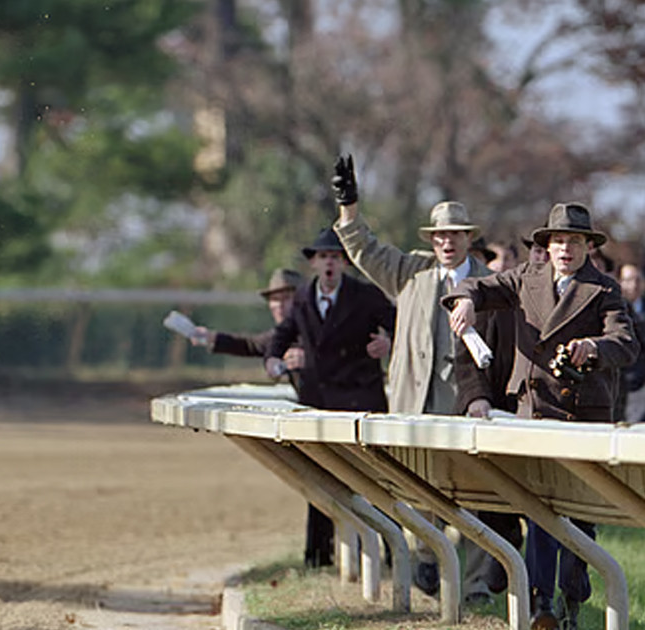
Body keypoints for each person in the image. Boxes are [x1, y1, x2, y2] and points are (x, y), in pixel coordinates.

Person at [444, 202, 640, 629]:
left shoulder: (604, 289)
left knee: (578, 518)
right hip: (532, 413)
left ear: (588, 246)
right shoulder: (525, 278)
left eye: (574, 241)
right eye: (557, 241)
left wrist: (593, 349)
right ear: (545, 247)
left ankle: (573, 597)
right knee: (539, 511)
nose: (565, 248)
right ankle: (541, 604)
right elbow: (479, 286)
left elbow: (625, 343)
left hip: (581, 418)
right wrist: (463, 301)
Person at [329, 155, 515, 604]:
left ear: (470, 239)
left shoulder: (493, 285)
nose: (446, 242)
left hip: (470, 409)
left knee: (474, 502)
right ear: (431, 241)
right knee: (416, 496)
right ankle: (427, 562)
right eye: (439, 235)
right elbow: (365, 250)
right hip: (415, 407)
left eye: (454, 234)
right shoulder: (411, 272)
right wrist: (348, 206)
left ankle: (472, 589)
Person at [264, 227, 395, 568]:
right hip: (318, 403)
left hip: (360, 402)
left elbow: (400, 325)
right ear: (313, 263)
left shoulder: (366, 295)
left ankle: (395, 557)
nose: (329, 264)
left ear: (345, 263)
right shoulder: (304, 296)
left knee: (376, 483)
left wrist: (388, 345)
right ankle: (318, 558)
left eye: (335, 257)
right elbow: (282, 334)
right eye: (323, 257)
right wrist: (273, 360)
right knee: (320, 480)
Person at [190, 268, 305, 365]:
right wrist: (210, 337)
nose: (280, 305)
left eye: (287, 298)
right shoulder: (279, 336)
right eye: (275, 299)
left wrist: (309, 360)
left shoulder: (318, 328)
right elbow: (250, 344)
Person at [616, 263, 645, 422]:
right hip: (624, 380)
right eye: (627, 280)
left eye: (637, 280)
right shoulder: (615, 309)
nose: (633, 285)